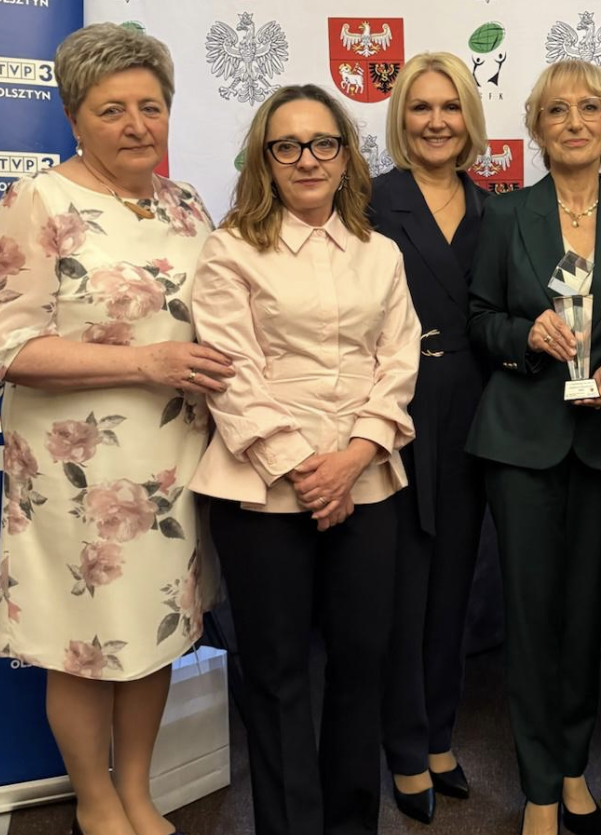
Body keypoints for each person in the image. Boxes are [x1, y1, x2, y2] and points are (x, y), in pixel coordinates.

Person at [0, 22, 228, 835]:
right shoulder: (38, 201)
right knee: (83, 641)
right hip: (73, 472)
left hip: (171, 466)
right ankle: (94, 800)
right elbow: (1, 346)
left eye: (150, 106)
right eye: (111, 109)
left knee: (154, 629)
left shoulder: (186, 203)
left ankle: (138, 791)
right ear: (73, 116)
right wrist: (144, 363)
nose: (136, 125)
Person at [189, 85, 420, 835]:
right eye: (286, 146)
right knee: (278, 672)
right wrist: (307, 468)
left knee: (361, 663)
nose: (307, 159)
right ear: (264, 160)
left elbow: (399, 362)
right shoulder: (228, 250)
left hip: (367, 479)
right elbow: (230, 372)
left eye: (323, 143)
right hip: (261, 489)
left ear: (346, 156)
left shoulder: (380, 253)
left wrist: (351, 459)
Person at [467, 59, 601, 835]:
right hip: (521, 439)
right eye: (557, 110)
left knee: (584, 614)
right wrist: (523, 335)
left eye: (590, 108)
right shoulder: (506, 214)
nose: (574, 121)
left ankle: (574, 764)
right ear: (536, 128)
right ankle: (539, 785)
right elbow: (480, 317)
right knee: (531, 613)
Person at [370, 53, 490, 824]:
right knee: (401, 587)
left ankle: (440, 735)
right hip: (394, 407)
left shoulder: (492, 209)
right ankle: (405, 745)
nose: (436, 122)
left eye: (450, 107)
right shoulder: (369, 200)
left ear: (470, 119)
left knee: (454, 582)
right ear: (401, 118)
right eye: (421, 107)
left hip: (474, 410)